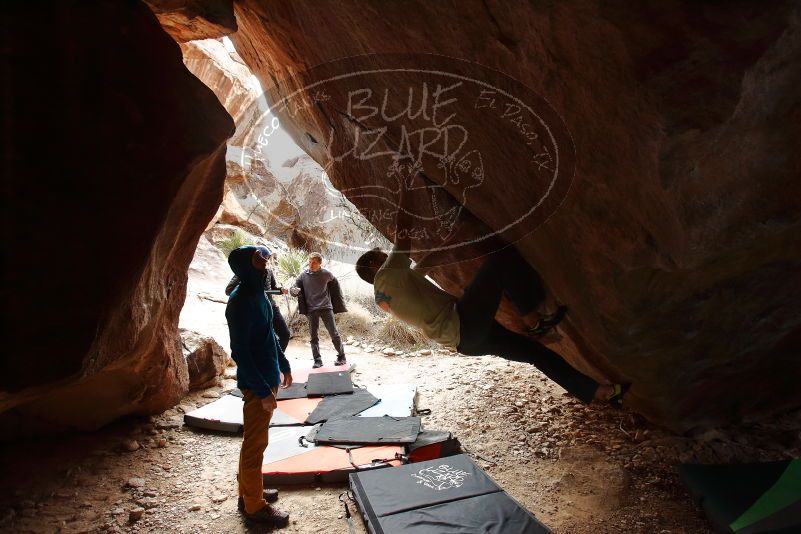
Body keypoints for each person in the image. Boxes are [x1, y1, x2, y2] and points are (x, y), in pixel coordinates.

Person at [354, 189, 628, 407]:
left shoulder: (386, 293)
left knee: (537, 354)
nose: (385, 254)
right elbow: (403, 237)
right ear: (372, 266)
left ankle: (599, 392)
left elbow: (424, 266)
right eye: (380, 255)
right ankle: (534, 320)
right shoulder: (387, 274)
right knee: (500, 259)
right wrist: (405, 187)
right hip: (464, 323)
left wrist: (452, 239)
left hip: (467, 342)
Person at [225, 245, 292, 527]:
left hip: (268, 375)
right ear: (245, 267)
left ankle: (248, 492)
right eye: (258, 261)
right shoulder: (239, 302)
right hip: (257, 384)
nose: (264, 266)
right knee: (255, 445)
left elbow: (270, 337)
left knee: (254, 442)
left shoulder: (259, 295)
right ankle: (254, 507)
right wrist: (264, 392)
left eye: (265, 261)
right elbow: (240, 352)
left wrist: (284, 364)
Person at [225, 246, 291, 352]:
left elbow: (272, 289)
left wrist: (282, 290)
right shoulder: (244, 272)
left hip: (271, 307)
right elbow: (228, 290)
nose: (266, 260)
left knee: (285, 334)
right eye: (264, 257)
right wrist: (251, 291)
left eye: (267, 257)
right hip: (255, 309)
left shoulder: (269, 272)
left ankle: (277, 360)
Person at [289, 252, 348, 368]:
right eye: (310, 262)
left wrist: (338, 302)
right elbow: (293, 288)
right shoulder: (303, 275)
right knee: (313, 336)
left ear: (320, 263)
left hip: (326, 308)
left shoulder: (326, 274)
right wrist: (293, 291)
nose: (311, 264)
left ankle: (342, 356)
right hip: (311, 310)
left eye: (314, 262)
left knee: (334, 334)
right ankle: (317, 360)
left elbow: (336, 286)